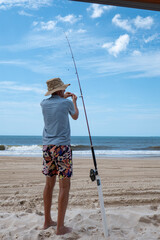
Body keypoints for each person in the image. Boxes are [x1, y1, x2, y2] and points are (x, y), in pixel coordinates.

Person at [40, 77, 79, 235]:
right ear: (60, 90)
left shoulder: (43, 104)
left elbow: (54, 106)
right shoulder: (66, 103)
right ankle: (60, 227)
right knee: (64, 186)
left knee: (49, 185)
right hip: (62, 147)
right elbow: (75, 116)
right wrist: (74, 101)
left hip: (47, 147)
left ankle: (47, 221)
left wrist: (61, 96)